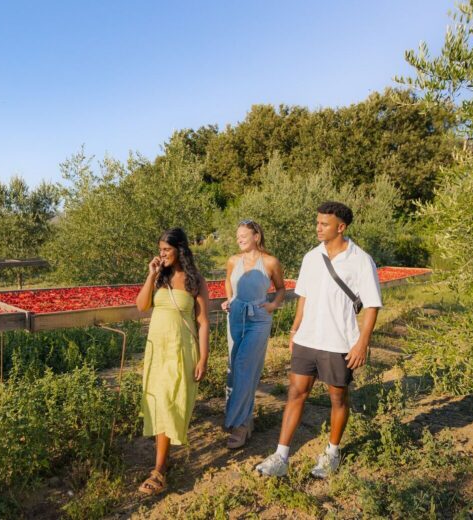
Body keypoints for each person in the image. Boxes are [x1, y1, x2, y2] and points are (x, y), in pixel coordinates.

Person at [255, 201, 382, 478]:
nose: (318, 228)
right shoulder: (311, 257)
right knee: (296, 393)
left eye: (324, 224)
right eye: (317, 223)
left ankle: (332, 452)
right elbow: (304, 296)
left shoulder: (361, 260)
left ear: (341, 227)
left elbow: (372, 305)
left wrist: (362, 343)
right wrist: (294, 330)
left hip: (339, 341)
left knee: (337, 397)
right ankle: (281, 455)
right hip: (308, 338)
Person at [135, 228, 210, 495]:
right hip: (157, 350)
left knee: (169, 401)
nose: (162, 254)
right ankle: (162, 461)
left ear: (180, 250)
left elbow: (202, 323)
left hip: (181, 349)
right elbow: (141, 305)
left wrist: (204, 357)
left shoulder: (194, 280)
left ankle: (159, 470)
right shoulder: (159, 278)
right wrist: (151, 273)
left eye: (167, 250)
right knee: (157, 401)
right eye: (160, 249)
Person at [220, 219, 286, 449]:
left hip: (258, 319)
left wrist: (272, 306)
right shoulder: (233, 261)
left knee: (244, 368)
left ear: (256, 236)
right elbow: (228, 280)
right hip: (235, 317)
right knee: (232, 368)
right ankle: (243, 420)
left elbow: (281, 289)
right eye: (237, 236)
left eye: (243, 236)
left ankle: (238, 427)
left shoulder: (270, 262)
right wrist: (229, 299)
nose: (239, 239)